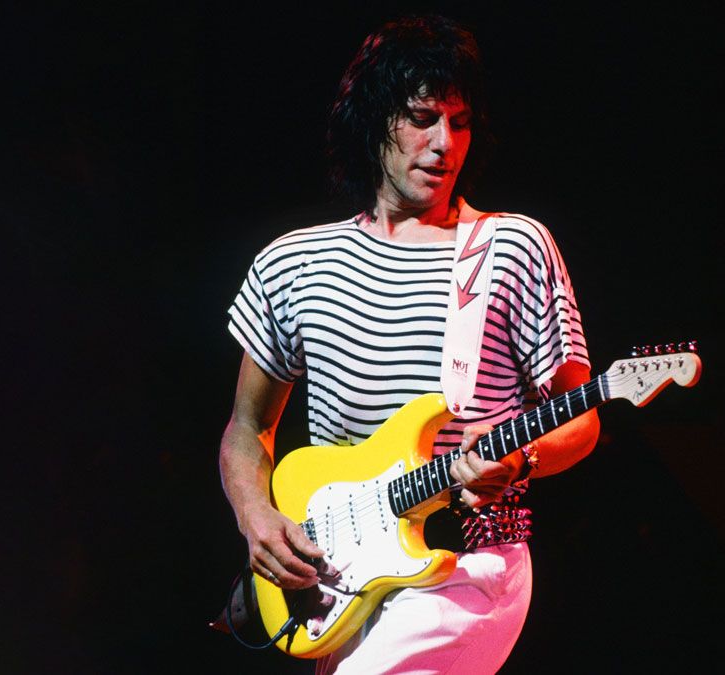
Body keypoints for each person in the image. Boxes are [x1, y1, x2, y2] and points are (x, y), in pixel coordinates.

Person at [219, 14, 600, 674]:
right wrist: (257, 517)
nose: (444, 143)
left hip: (465, 569)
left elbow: (583, 417)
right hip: (347, 576)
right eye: (423, 116)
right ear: (375, 121)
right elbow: (248, 427)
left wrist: (524, 455)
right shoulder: (294, 264)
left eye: (459, 122)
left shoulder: (509, 248)